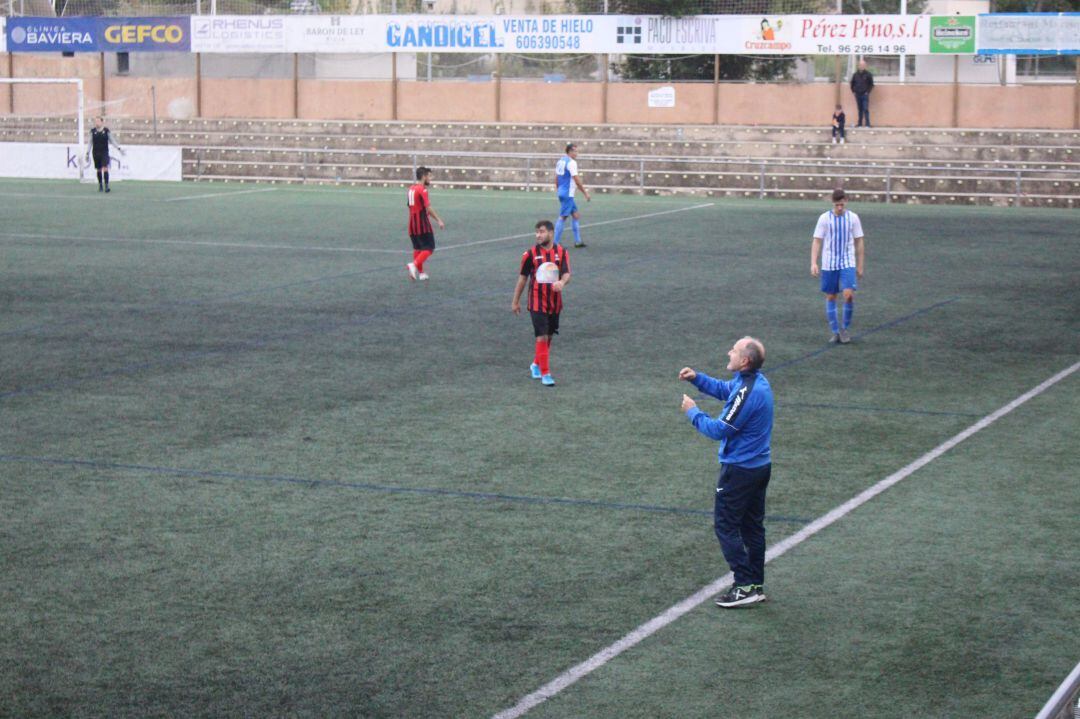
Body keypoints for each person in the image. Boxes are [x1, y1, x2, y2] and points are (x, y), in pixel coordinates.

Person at [679, 336, 774, 608]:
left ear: (744, 360)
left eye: (733, 350)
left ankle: (744, 586)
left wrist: (693, 412)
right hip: (758, 468)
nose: (728, 352)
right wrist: (698, 379)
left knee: (726, 526)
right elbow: (726, 390)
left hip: (740, 472)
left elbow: (719, 429)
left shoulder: (748, 392)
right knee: (752, 527)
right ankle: (755, 583)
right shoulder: (755, 381)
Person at [511, 220, 571, 387]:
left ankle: (536, 364)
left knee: (549, 336)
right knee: (541, 336)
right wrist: (515, 301)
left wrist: (562, 283)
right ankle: (546, 374)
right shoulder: (529, 254)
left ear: (551, 233)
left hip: (555, 302)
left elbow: (567, 274)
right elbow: (523, 278)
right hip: (537, 301)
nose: (538, 235)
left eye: (541, 232)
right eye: (536, 232)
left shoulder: (561, 252)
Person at [811, 188, 865, 344]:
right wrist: (814, 262)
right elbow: (817, 240)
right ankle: (835, 331)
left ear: (846, 201)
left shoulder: (853, 218)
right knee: (831, 296)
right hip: (829, 262)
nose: (839, 208)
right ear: (833, 203)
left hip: (848, 261)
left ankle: (844, 329)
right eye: (837, 205)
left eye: (842, 204)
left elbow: (859, 241)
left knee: (848, 294)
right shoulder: (824, 219)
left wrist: (860, 265)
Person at [405, 166, 445, 281]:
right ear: (423, 176)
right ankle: (414, 265)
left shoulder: (411, 189)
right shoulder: (422, 189)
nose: (430, 179)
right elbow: (428, 208)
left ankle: (421, 273)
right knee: (429, 248)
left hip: (412, 224)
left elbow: (410, 205)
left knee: (418, 248)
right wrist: (438, 220)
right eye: (429, 176)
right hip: (422, 224)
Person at [553, 143, 590, 248]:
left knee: (576, 215)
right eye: (575, 151)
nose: (577, 153)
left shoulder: (561, 161)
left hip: (562, 191)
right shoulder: (571, 163)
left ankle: (578, 241)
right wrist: (585, 193)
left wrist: (557, 189)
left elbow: (557, 176)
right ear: (569, 151)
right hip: (568, 193)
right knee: (563, 217)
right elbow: (576, 179)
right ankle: (554, 243)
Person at [84, 116, 124, 193]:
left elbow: (112, 140)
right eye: (95, 121)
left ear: (102, 122)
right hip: (96, 153)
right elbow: (90, 143)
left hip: (104, 152)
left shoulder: (106, 131)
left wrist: (118, 148)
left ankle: (106, 186)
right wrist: (87, 153)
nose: (96, 123)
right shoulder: (92, 131)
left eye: (98, 121)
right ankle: (100, 185)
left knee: (105, 167)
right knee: (99, 169)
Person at [850, 59, 874, 128]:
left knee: (865, 109)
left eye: (863, 65)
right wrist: (853, 91)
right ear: (858, 66)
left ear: (865, 66)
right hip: (857, 94)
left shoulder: (868, 74)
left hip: (865, 95)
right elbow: (852, 83)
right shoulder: (855, 75)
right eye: (860, 65)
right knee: (860, 109)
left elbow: (871, 84)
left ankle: (867, 124)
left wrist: (867, 92)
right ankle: (860, 124)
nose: (862, 66)